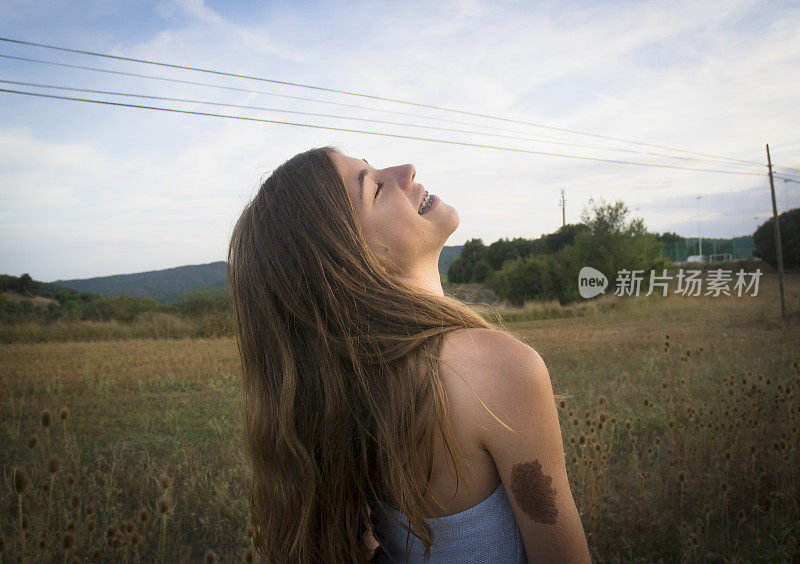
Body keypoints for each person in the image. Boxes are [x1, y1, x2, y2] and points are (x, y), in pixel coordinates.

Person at [227, 146, 591, 563]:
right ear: (347, 266)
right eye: (376, 188)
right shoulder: (496, 369)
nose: (406, 170)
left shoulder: (342, 397)